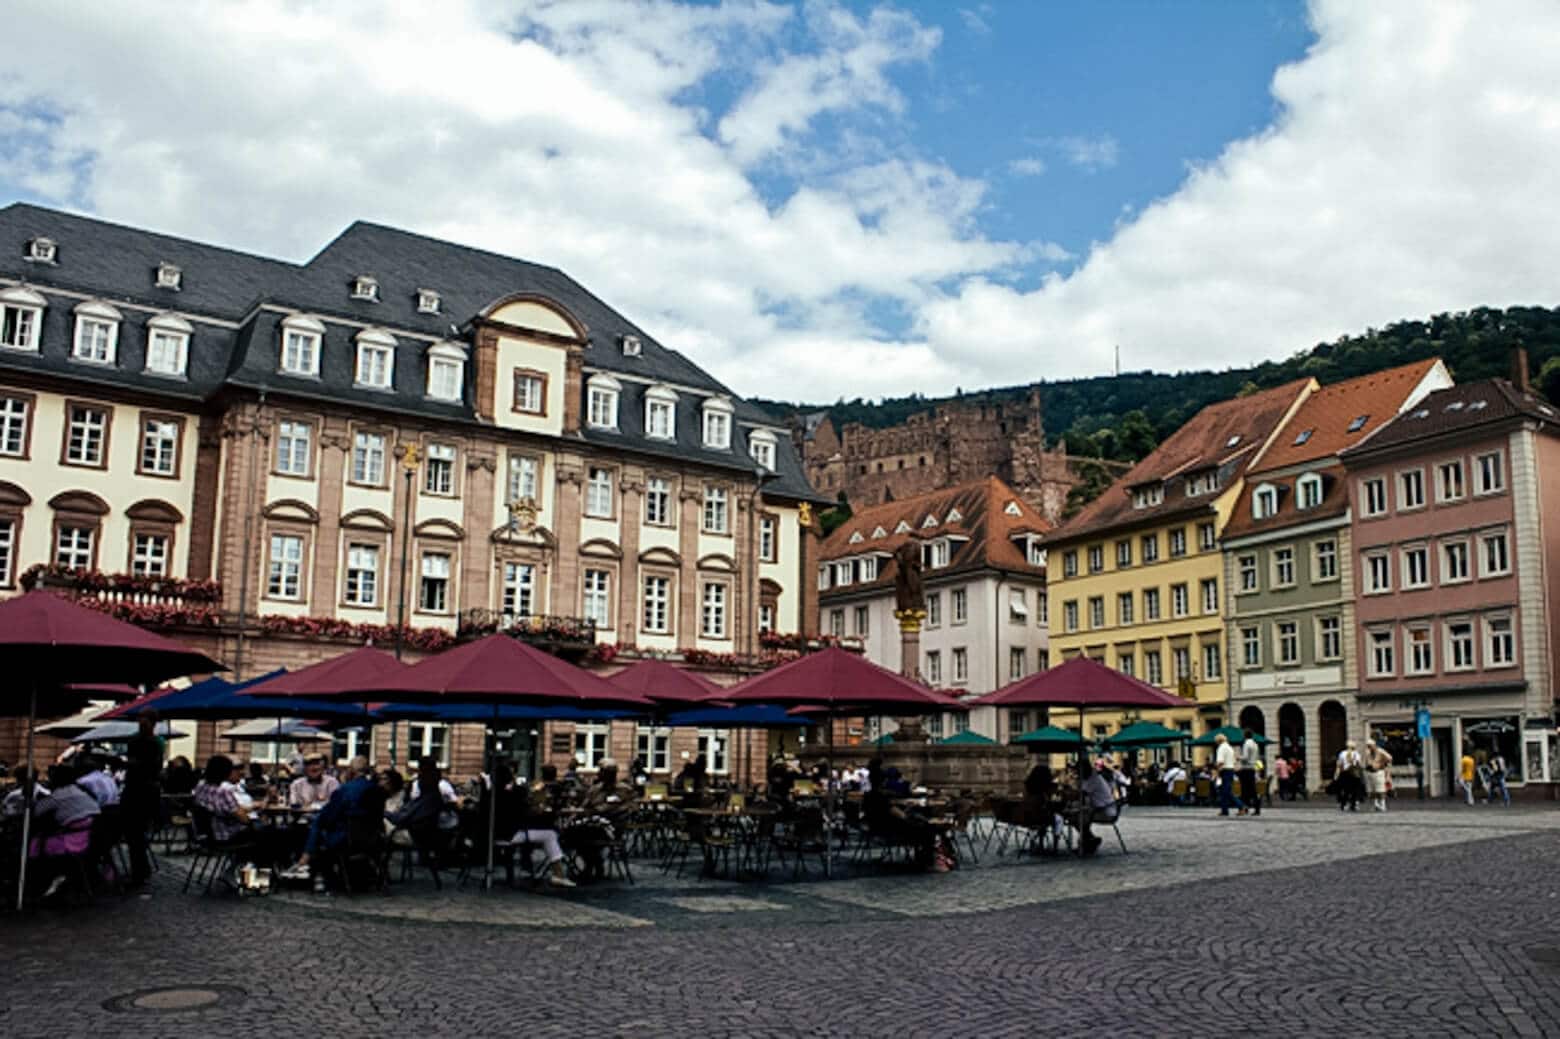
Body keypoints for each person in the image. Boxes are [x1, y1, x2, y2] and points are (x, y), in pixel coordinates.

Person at [282, 756, 386, 892]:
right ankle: (309, 865)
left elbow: (328, 816)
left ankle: (307, 864)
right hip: (373, 838)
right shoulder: (375, 789)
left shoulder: (345, 790)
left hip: (347, 838)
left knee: (317, 824)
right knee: (318, 824)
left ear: (351, 771)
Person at [487, 763, 574, 888]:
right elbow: (524, 810)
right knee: (550, 835)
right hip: (509, 833)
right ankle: (558, 874)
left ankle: (534, 866)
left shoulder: (493, 792)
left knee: (544, 834)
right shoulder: (513, 792)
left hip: (499, 832)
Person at [29, 764, 103, 900]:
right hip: (91, 838)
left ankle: (39, 881)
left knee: (34, 842)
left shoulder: (58, 796)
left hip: (70, 841)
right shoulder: (83, 792)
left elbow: (36, 812)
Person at [862, 761, 940, 870]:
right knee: (927, 828)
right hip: (890, 829)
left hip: (875, 827)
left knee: (922, 825)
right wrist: (909, 814)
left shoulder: (868, 796)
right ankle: (927, 860)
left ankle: (924, 858)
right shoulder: (882, 797)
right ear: (883, 781)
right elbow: (900, 815)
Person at [121, 712, 165, 886]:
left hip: (142, 791)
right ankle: (140, 869)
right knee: (135, 835)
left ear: (152, 723)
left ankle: (140, 871)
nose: (141, 723)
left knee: (136, 834)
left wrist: (131, 764)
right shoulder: (137, 740)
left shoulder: (155, 742)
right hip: (138, 789)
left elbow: (152, 766)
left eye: (144, 720)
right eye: (140, 720)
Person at [194, 755, 252, 842]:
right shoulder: (223, 791)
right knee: (270, 832)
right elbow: (243, 819)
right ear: (226, 772)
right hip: (227, 835)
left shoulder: (200, 785)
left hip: (207, 836)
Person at [1076, 759, 1118, 856]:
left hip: (1105, 811)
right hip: (1100, 809)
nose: (1077, 773)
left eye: (1078, 771)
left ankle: (1089, 841)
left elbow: (1081, 794)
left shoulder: (1093, 779)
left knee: (1079, 819)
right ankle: (1089, 841)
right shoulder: (1090, 777)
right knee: (1079, 817)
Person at [1214, 733, 1239, 817]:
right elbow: (1234, 761)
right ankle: (1224, 810)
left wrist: (1216, 772)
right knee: (1225, 792)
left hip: (1225, 771)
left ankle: (1241, 806)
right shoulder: (1230, 747)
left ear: (1218, 741)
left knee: (1226, 792)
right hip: (1231, 770)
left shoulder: (1221, 748)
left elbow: (1220, 762)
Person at [1238, 730, 1261, 817]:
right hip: (1252, 768)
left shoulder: (1246, 744)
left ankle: (1244, 809)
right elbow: (1256, 757)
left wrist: (1238, 757)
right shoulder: (1255, 744)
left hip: (1246, 768)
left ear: (1245, 735)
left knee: (1244, 790)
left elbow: (1245, 757)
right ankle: (1257, 808)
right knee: (1253, 790)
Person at [1335, 742, 1363, 811]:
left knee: (1346, 790)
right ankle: (1352, 805)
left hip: (1345, 773)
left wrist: (1337, 773)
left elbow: (1339, 764)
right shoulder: (1356, 754)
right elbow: (1358, 764)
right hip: (1352, 773)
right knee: (1353, 790)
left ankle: (1344, 804)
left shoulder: (1342, 753)